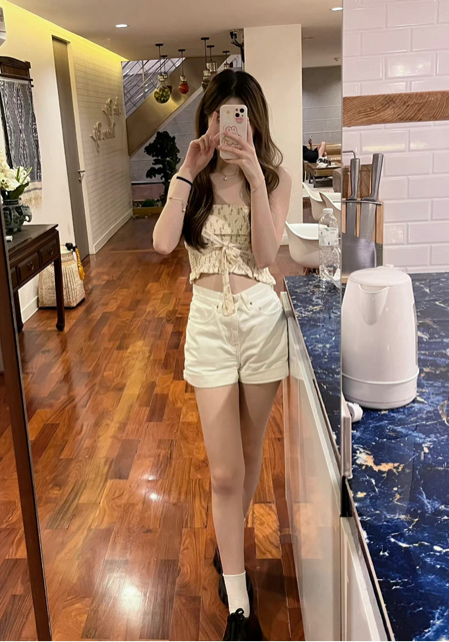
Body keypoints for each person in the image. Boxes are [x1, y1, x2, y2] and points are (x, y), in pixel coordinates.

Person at [153, 69, 291, 641]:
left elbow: (265, 257)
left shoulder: (274, 179)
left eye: (240, 116)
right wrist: (187, 171)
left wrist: (257, 178)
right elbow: (163, 243)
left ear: (254, 122)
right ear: (207, 119)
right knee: (226, 470)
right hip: (209, 326)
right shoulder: (192, 180)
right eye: (219, 115)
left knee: (250, 456)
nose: (229, 126)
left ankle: (228, 542)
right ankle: (238, 603)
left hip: (260, 322)